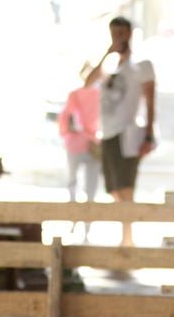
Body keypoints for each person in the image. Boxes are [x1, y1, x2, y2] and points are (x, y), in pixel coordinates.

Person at [84, 16, 156, 247]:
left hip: (129, 134)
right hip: (108, 133)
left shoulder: (141, 65)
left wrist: (149, 134)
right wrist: (108, 52)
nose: (119, 38)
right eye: (114, 33)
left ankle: (128, 239)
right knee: (113, 188)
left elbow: (151, 100)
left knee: (126, 188)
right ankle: (125, 235)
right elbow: (87, 82)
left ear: (130, 34)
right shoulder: (109, 66)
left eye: (122, 33)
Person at [58, 65, 101, 241]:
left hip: (82, 144)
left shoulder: (79, 95)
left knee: (76, 185)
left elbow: (65, 119)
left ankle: (77, 222)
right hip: (89, 144)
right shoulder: (96, 95)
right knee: (86, 187)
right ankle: (82, 225)